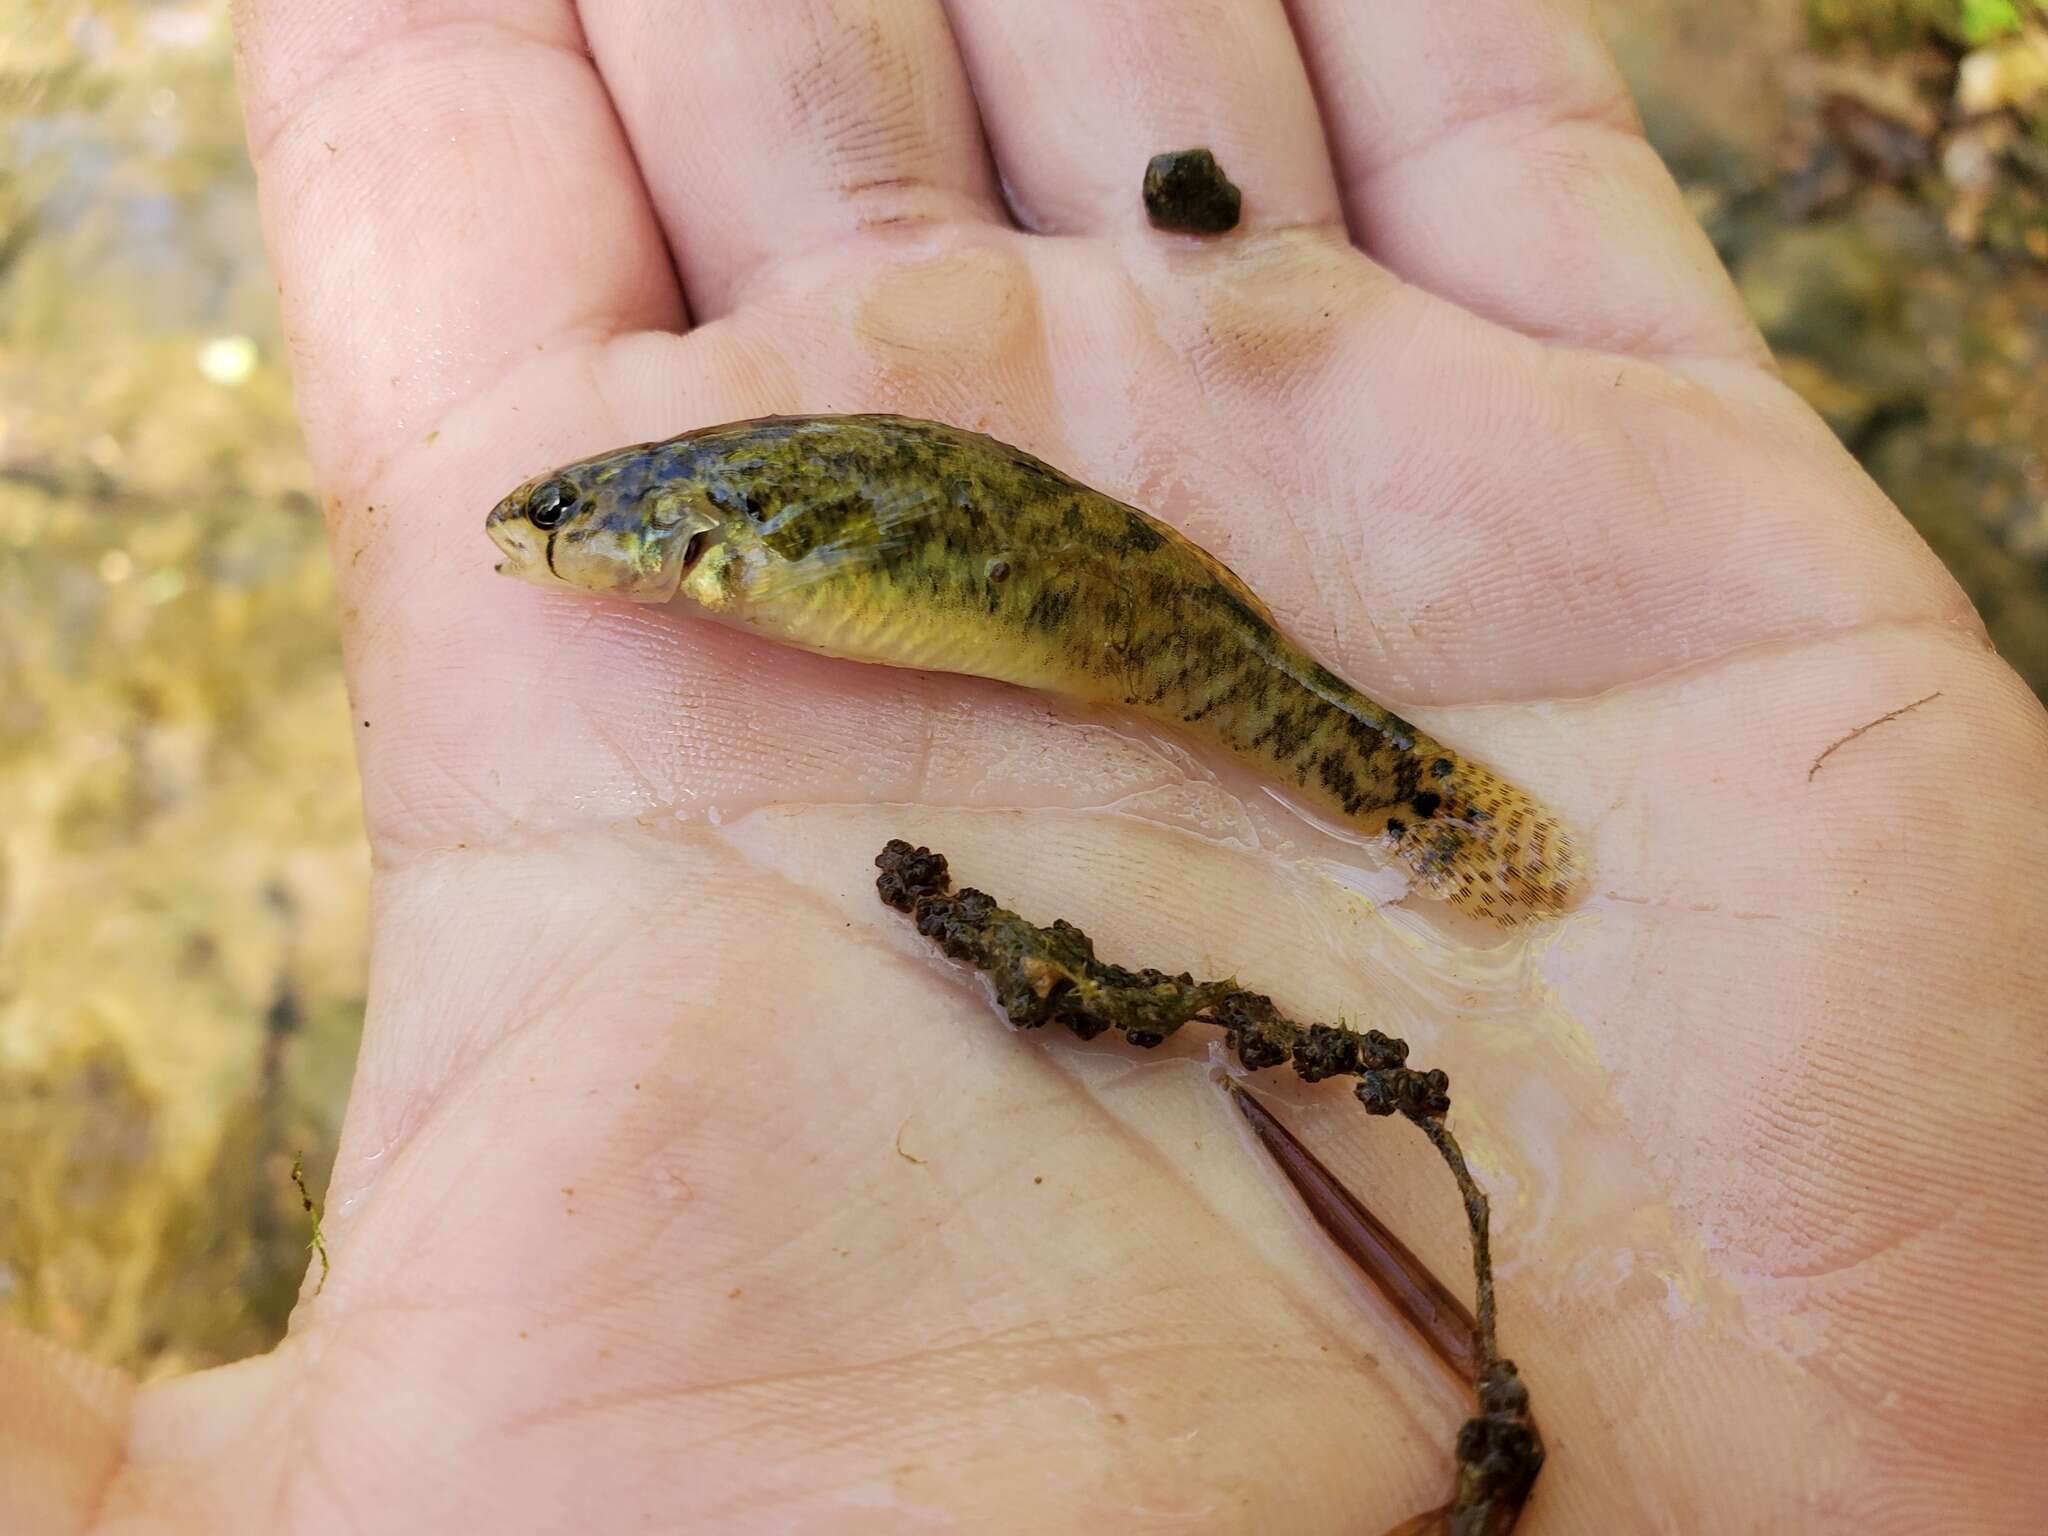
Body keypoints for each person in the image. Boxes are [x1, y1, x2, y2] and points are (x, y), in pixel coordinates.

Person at [8, 2, 2045, 1530]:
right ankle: (1413, 803)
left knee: (1245, 700)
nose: (537, 551)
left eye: (558, 528)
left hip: (1127, 628)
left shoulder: (710, 536)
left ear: (662, 543)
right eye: (554, 524)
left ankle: (1424, 810)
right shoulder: (708, 528)